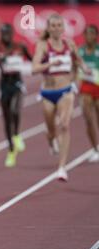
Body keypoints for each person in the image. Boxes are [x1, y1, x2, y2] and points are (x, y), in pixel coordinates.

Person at [32, 14, 89, 181]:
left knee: (64, 125)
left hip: (66, 90)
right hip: (48, 93)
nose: (57, 28)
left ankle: (62, 167)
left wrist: (84, 68)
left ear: (63, 28)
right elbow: (34, 68)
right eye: (53, 26)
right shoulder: (42, 45)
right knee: (51, 130)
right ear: (48, 28)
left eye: (59, 25)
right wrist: (50, 64)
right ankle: (50, 139)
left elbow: (78, 60)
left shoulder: (69, 44)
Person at [0, 23, 32, 167]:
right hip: (4, 85)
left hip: (17, 83)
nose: (5, 36)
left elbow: (32, 60)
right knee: (6, 119)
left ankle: (17, 135)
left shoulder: (20, 46)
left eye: (8, 33)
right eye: (3, 33)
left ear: (12, 34)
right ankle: (11, 150)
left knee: (15, 110)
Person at [78, 24, 99, 162]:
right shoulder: (80, 52)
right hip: (85, 88)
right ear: (84, 36)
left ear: (96, 36)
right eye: (87, 34)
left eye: (92, 34)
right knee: (88, 119)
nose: (89, 36)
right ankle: (95, 149)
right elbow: (75, 68)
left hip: (98, 87)